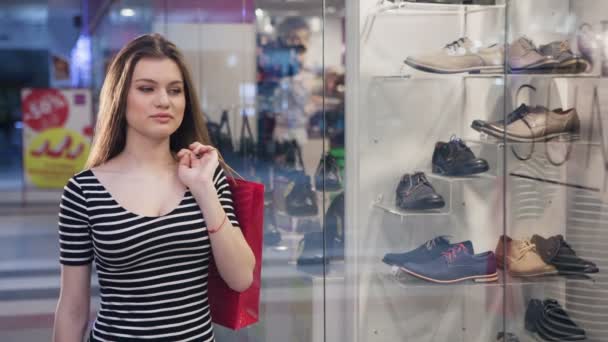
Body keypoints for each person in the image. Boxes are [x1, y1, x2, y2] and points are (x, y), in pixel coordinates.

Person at [52, 33, 255, 342]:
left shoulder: (205, 176)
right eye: (147, 89)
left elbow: (241, 278)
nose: (164, 101)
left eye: (175, 90)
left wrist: (203, 189)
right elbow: (72, 308)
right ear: (120, 97)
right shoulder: (84, 191)